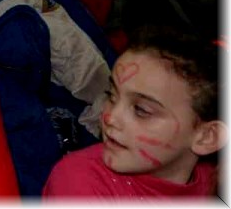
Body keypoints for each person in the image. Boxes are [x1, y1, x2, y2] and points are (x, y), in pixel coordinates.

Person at [43, 25, 223, 199]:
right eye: (111, 96)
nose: (110, 117)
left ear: (207, 137)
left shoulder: (213, 182)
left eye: (141, 110)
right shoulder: (78, 182)